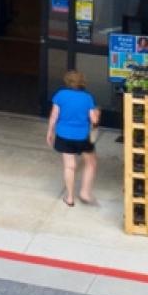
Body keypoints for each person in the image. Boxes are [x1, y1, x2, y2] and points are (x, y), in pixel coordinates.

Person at [47, 68, 101, 207]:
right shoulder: (88, 98)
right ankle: (84, 193)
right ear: (82, 82)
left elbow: (54, 116)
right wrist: (97, 113)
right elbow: (94, 120)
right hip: (82, 137)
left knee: (69, 166)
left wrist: (50, 132)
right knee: (91, 163)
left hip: (63, 135)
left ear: (67, 81)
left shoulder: (60, 95)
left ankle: (70, 198)